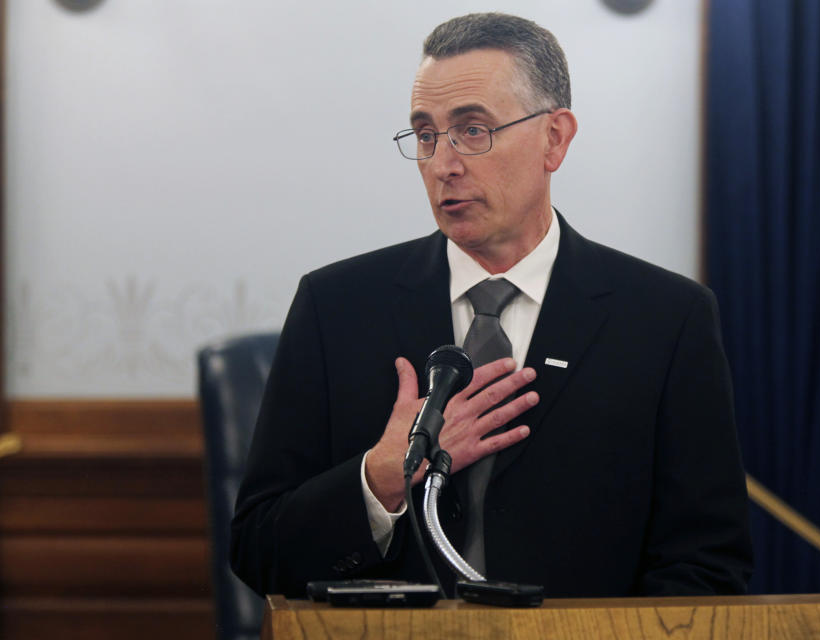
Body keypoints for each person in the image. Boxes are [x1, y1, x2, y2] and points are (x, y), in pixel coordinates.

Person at [231, 12, 752, 598]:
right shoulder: (336, 309)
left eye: (473, 130)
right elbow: (257, 549)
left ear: (554, 138)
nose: (443, 165)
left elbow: (708, 566)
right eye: (425, 135)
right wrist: (380, 480)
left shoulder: (666, 319)